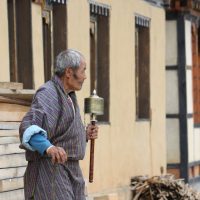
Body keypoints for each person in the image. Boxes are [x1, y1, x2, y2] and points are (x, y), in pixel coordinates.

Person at [19, 49, 98, 200]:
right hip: (52, 171)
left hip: (70, 170)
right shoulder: (48, 93)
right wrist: (48, 147)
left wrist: (84, 134)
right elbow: (29, 128)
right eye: (83, 71)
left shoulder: (68, 96)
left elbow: (62, 132)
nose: (85, 77)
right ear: (69, 72)